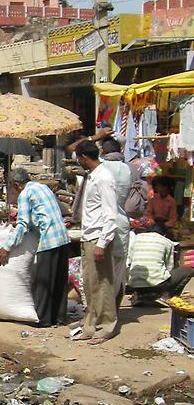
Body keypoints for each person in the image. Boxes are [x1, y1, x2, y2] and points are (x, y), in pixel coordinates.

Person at [0, 168, 70, 327]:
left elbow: (22, 225)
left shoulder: (25, 194)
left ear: (16, 185)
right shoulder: (42, 187)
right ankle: (59, 318)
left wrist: (7, 247)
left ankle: (43, 319)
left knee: (43, 281)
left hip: (49, 239)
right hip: (63, 237)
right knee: (58, 281)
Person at [75, 140, 118, 343]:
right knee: (90, 284)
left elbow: (110, 214)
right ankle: (90, 325)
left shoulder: (104, 178)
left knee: (102, 284)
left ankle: (106, 326)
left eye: (78, 158)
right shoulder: (92, 176)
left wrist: (102, 243)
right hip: (88, 235)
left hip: (98, 238)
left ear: (84, 157)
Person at [100, 136, 131, 305]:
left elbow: (73, 151)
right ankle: (115, 310)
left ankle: (104, 312)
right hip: (122, 222)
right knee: (119, 273)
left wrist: (94, 137)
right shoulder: (129, 169)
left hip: (103, 223)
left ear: (103, 151)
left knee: (102, 274)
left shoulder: (99, 166)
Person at [126, 229, 194, 305]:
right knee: (189, 270)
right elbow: (169, 267)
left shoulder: (136, 239)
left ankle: (139, 296)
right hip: (158, 284)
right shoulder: (167, 241)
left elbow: (130, 261)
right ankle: (165, 296)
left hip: (134, 284)